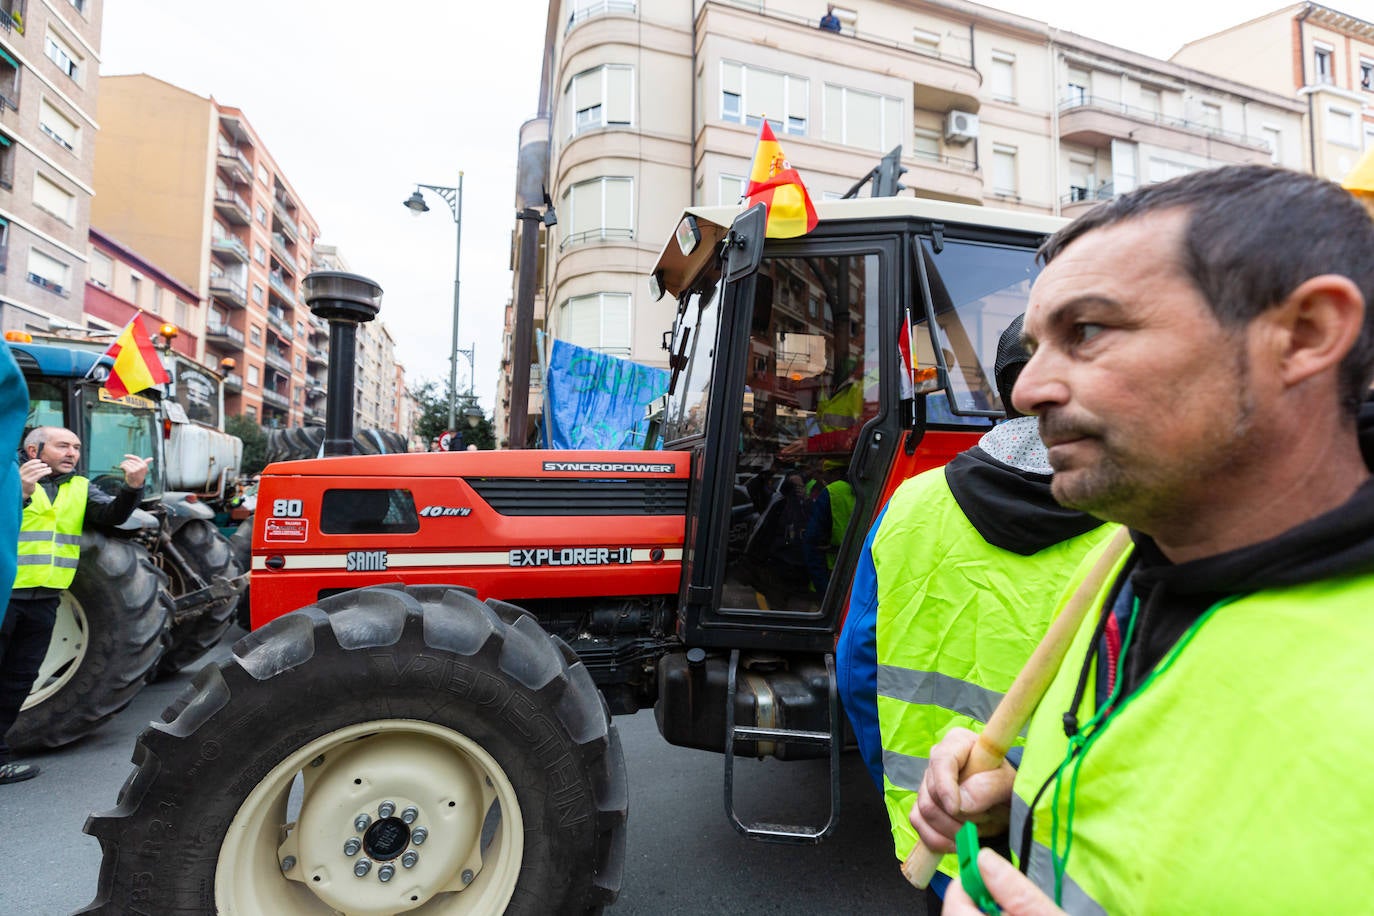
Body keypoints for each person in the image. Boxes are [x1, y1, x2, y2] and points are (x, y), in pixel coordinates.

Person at [909, 164, 1374, 913]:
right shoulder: (1125, 559)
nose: (1027, 390)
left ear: (1305, 334)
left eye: (1086, 330)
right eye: (1035, 342)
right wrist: (1020, 804)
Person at [836, 315, 1113, 910]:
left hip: (936, 839)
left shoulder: (909, 504)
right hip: (1074, 862)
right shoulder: (1134, 527)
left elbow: (858, 668)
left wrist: (904, 783)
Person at [0, 427, 149, 784]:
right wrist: (17, 494)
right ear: (33, 448)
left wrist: (132, 488)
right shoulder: (8, 476)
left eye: (77, 447)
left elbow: (112, 515)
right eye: (63, 445)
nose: (72, 452)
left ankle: (0, 756)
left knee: (18, 680)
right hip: (5, 596)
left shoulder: (79, 487)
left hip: (46, 599)